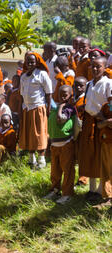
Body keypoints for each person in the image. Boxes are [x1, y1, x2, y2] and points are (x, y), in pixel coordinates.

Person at [78, 56, 112, 202]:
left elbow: (110, 105)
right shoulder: (89, 84)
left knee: (100, 156)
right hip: (88, 122)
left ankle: (100, 190)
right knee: (89, 155)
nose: (95, 69)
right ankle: (91, 189)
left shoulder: (108, 83)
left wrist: (104, 119)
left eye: (99, 66)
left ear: (105, 68)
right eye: (93, 66)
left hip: (101, 123)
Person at [19, 51, 52, 169]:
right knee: (29, 133)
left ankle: (41, 160)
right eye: (28, 62)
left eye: (32, 62)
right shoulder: (23, 76)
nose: (30, 64)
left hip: (38, 107)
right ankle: (31, 159)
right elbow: (22, 95)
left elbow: (48, 93)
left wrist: (48, 108)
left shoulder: (42, 74)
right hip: (27, 108)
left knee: (39, 133)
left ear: (36, 62)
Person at [44, 85, 76, 205]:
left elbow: (60, 119)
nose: (63, 96)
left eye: (65, 94)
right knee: (55, 170)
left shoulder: (68, 108)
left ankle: (67, 193)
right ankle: (55, 189)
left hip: (66, 144)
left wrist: (61, 107)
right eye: (61, 94)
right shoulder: (55, 106)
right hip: (55, 144)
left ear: (70, 95)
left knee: (67, 170)